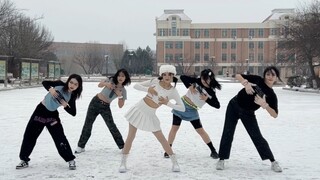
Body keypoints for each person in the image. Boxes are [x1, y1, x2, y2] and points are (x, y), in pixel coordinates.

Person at [119, 64, 185, 173]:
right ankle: (123, 163)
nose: (167, 77)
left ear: (173, 75)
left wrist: (167, 103)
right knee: (130, 137)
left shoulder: (173, 91)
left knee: (162, 139)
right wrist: (148, 89)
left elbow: (182, 108)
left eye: (169, 74)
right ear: (161, 75)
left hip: (150, 114)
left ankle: (175, 162)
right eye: (164, 74)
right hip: (138, 109)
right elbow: (136, 86)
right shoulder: (155, 81)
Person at [216, 66, 283, 172]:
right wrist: (246, 83)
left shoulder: (271, 95)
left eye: (273, 75)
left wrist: (264, 105)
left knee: (257, 136)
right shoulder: (257, 80)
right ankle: (221, 159)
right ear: (264, 75)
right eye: (268, 74)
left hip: (248, 113)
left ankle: (273, 162)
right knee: (228, 132)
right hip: (234, 105)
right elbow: (238, 75)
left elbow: (274, 114)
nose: (270, 77)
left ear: (276, 77)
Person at [16, 74, 83, 170]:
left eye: (75, 84)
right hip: (40, 111)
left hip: (52, 116)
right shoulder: (59, 84)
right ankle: (24, 160)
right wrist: (50, 89)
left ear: (78, 86)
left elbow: (73, 112)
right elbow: (45, 82)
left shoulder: (71, 96)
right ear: (68, 81)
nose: (72, 85)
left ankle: (70, 160)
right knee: (29, 135)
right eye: (71, 82)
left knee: (60, 138)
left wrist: (65, 105)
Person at [163, 69, 221, 159]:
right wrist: (189, 86)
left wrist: (207, 99)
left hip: (192, 111)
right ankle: (168, 150)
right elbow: (182, 77)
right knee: (174, 128)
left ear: (210, 79)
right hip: (181, 106)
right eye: (202, 79)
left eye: (206, 79)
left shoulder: (211, 92)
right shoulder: (196, 81)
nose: (203, 81)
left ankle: (213, 150)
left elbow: (217, 105)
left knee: (201, 131)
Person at [75, 69, 131, 153]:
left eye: (123, 76)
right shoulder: (111, 80)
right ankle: (81, 146)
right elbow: (99, 85)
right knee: (88, 124)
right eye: (119, 75)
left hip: (105, 107)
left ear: (126, 78)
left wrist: (120, 96)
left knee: (112, 126)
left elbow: (121, 106)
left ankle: (122, 146)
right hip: (95, 102)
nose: (120, 77)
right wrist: (106, 84)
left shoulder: (123, 91)